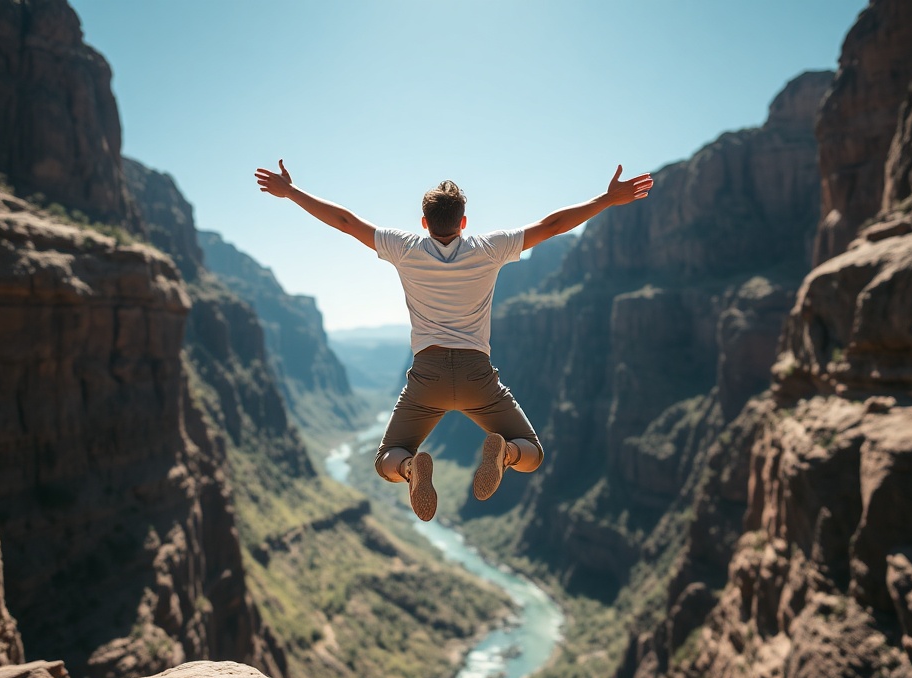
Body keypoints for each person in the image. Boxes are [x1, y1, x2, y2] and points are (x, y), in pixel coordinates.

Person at [255, 161, 653, 521]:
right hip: (478, 376)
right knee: (531, 452)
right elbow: (553, 226)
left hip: (426, 379)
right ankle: (506, 454)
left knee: (386, 459)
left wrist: (290, 191)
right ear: (463, 222)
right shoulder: (490, 248)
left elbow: (345, 221)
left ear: (424, 222)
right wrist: (606, 199)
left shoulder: (404, 248)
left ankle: (410, 470)